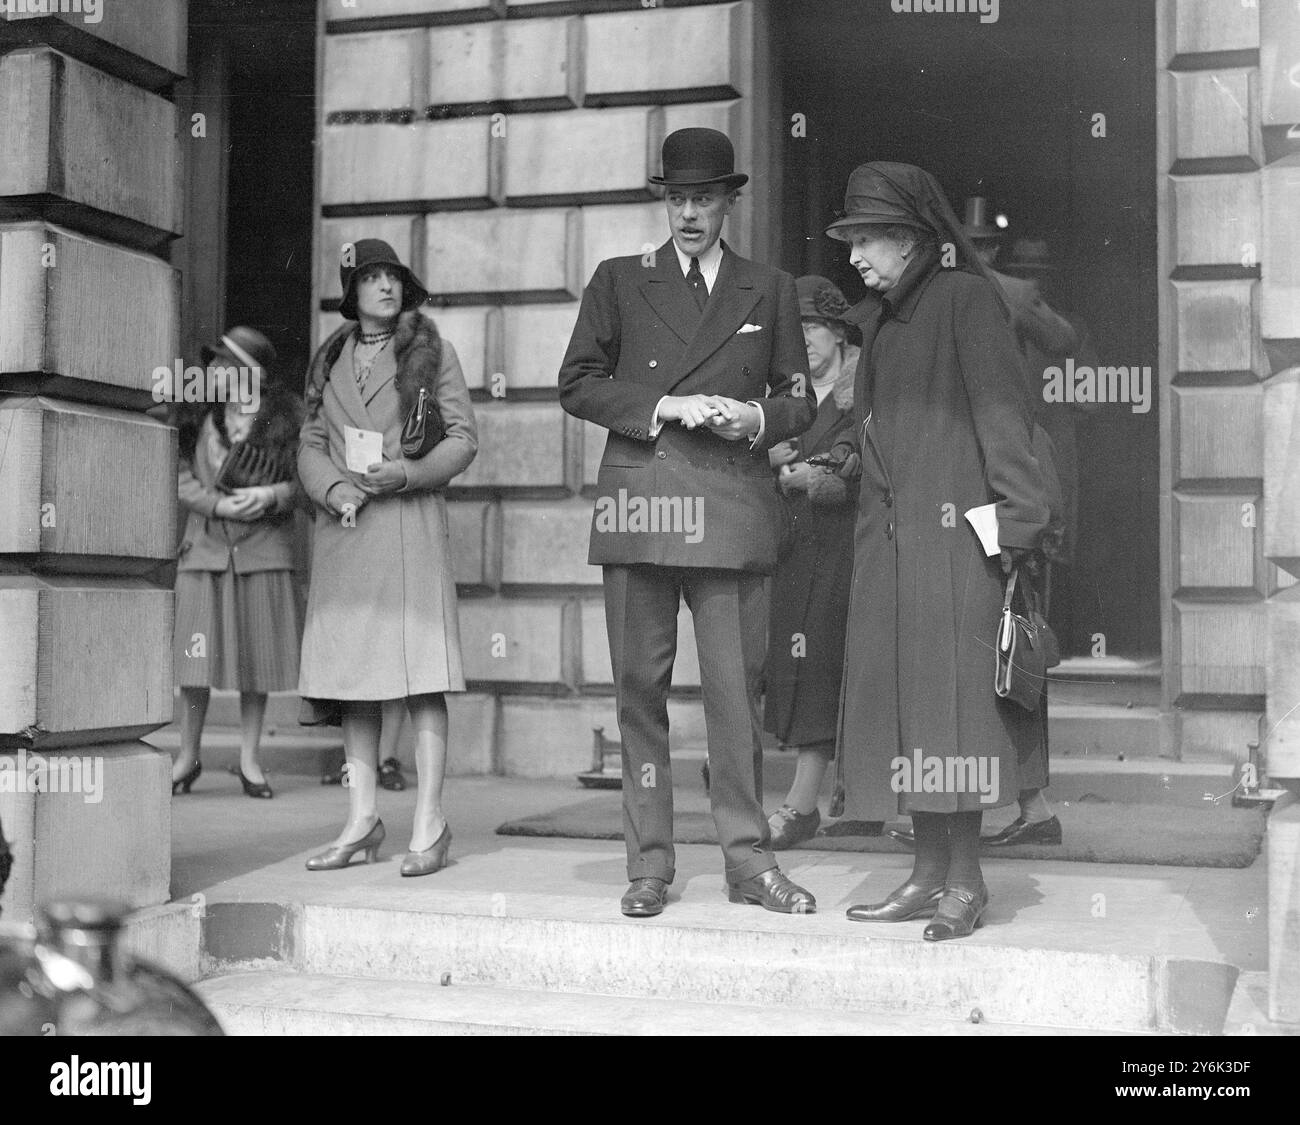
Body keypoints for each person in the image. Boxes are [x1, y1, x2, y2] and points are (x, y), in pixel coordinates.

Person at [559, 127, 818, 917]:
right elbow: (576, 383)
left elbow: (800, 399)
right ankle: (649, 863)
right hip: (641, 504)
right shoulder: (617, 280)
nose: (689, 214)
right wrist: (662, 404)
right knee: (640, 691)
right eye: (677, 199)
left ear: (729, 202)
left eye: (703, 199)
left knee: (736, 696)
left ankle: (748, 859)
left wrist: (751, 415)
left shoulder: (766, 288)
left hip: (731, 509)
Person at [826, 163, 1053, 941]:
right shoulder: (883, 317)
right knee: (912, 717)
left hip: (960, 549)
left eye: (867, 238)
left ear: (914, 239)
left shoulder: (964, 301)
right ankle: (926, 873)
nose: (855, 254)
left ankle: (966, 880)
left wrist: (1018, 532)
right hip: (891, 553)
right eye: (850, 238)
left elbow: (1004, 418)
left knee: (958, 721)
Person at [297, 239, 476, 876]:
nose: (384, 287)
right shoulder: (332, 357)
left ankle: (429, 824)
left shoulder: (434, 351)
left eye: (392, 277)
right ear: (353, 291)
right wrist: (333, 487)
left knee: (422, 678)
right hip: (347, 532)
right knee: (354, 686)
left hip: (407, 525)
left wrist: (407, 473)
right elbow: (311, 442)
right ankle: (362, 819)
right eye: (371, 278)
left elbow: (462, 439)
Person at [170, 328, 304, 799]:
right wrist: (216, 505)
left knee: (256, 662)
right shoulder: (194, 417)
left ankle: (250, 759)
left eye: (225, 365)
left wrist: (271, 493)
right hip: (204, 550)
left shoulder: (285, 422)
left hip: (262, 550)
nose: (214, 372)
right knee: (193, 663)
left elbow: (306, 480)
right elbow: (178, 474)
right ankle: (187, 756)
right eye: (214, 364)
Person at [762, 276, 860, 848]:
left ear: (839, 330)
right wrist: (767, 458)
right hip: (793, 551)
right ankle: (848, 794)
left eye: (809, 327)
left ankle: (802, 805)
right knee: (803, 669)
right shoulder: (788, 396)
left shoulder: (863, 386)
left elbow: (875, 456)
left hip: (850, 548)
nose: (800, 340)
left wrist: (821, 478)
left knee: (825, 670)